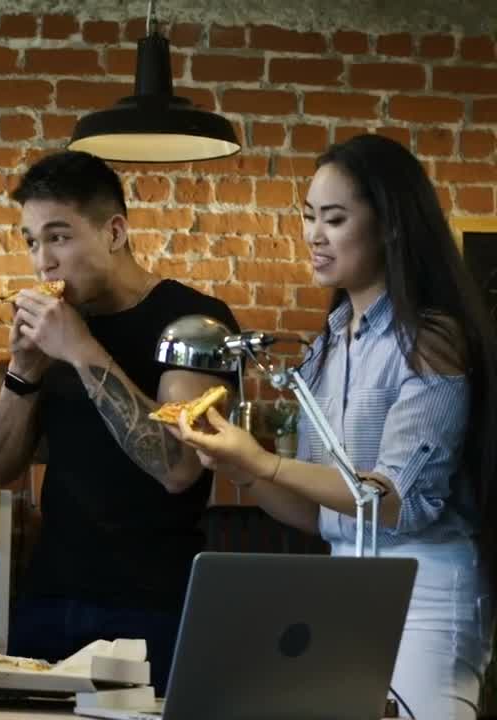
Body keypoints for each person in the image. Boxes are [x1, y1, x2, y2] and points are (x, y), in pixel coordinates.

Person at [173, 134, 495, 719]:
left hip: (426, 587)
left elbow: (396, 501)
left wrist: (265, 461)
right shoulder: (328, 344)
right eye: (308, 216)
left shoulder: (430, 338)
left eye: (335, 218)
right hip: (344, 581)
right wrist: (242, 470)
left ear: (390, 225)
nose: (314, 235)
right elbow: (316, 512)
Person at [0, 150, 239, 693]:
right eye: (31, 241)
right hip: (48, 599)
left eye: (59, 237)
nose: (43, 262)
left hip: (154, 608)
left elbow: (178, 465)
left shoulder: (193, 322)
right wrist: (23, 371)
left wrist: (80, 349)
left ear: (115, 232)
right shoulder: (56, 329)